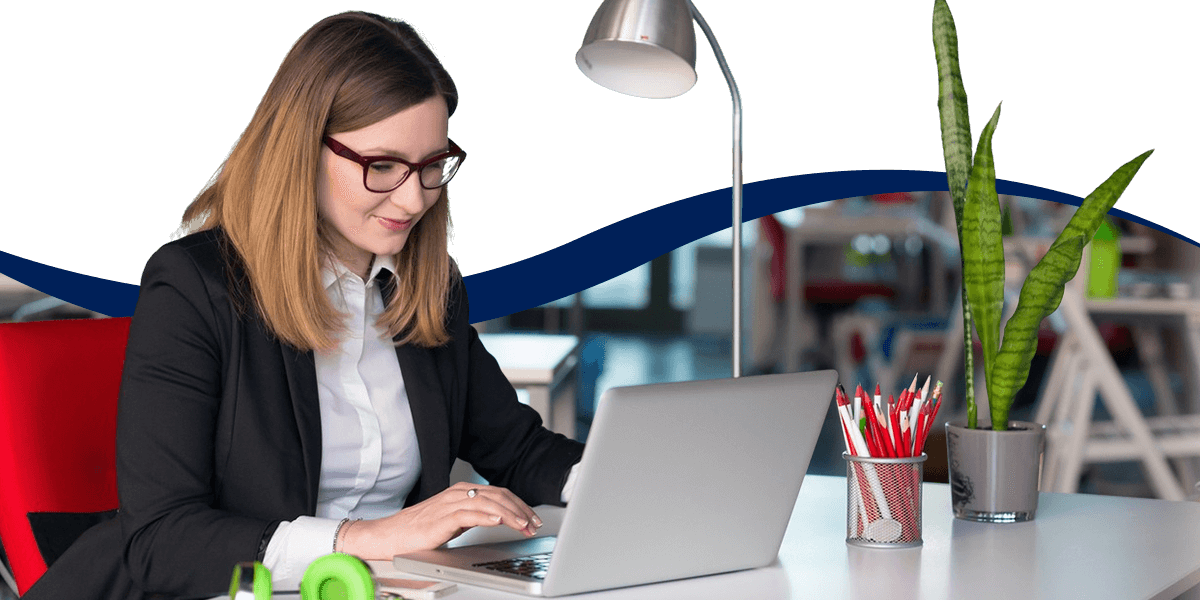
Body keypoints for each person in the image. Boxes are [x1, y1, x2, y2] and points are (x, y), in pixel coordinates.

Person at [26, 11, 584, 599]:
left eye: (432, 166)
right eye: (383, 166)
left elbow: (518, 449)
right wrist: (365, 537)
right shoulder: (195, 288)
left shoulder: (427, 287)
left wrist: (633, 478)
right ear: (302, 151)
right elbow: (162, 540)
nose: (415, 196)